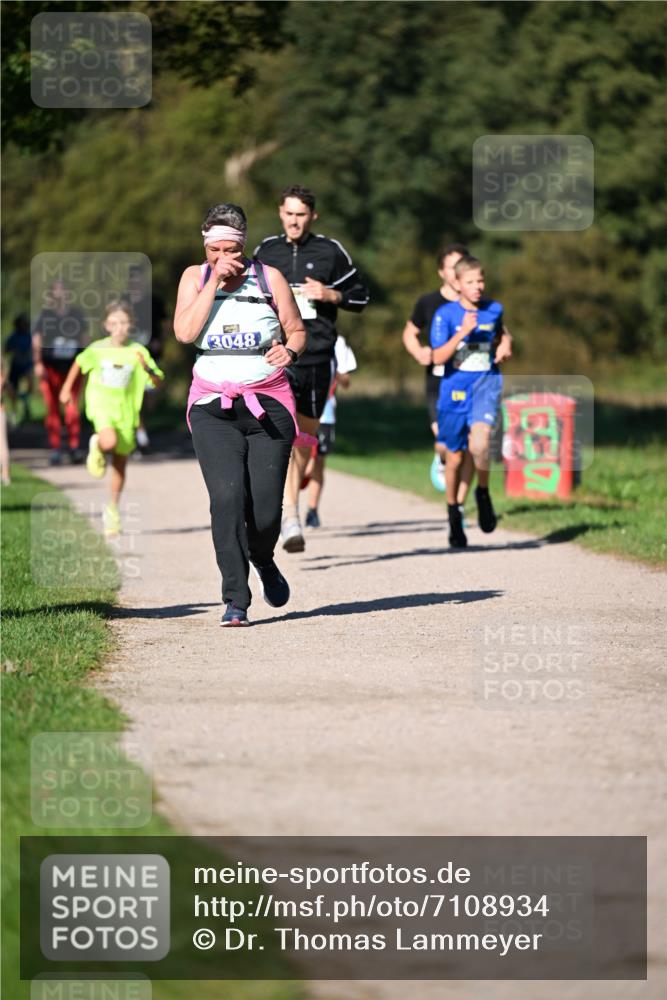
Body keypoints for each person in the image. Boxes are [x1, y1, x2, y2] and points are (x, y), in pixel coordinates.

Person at [174, 203, 306, 627]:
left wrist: (291, 349)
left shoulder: (270, 278)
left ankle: (263, 558)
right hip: (212, 406)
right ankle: (235, 598)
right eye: (216, 250)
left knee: (266, 511)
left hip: (268, 401)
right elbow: (185, 332)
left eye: (232, 250)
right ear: (206, 246)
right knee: (227, 500)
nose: (225, 258)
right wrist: (213, 281)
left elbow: (297, 329)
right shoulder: (195, 278)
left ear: (244, 245)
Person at [255, 185, 369, 554]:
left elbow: (361, 296)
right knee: (280, 433)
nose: (294, 220)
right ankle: (287, 514)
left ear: (312, 217)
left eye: (301, 214)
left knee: (306, 437)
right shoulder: (265, 252)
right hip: (277, 354)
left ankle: (292, 506)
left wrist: (331, 295)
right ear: (280, 213)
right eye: (288, 213)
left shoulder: (330, 252)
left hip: (318, 355)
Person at [59, 301, 164, 537]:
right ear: (106, 325)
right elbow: (79, 363)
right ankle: (97, 444)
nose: (119, 328)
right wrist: (67, 389)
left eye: (124, 323)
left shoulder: (138, 351)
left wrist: (147, 368)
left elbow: (157, 381)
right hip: (102, 406)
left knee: (120, 462)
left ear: (131, 325)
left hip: (127, 411)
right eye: (114, 323)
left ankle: (112, 510)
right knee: (108, 442)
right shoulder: (97, 349)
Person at [430, 256, 513, 548]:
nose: (478, 287)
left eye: (481, 281)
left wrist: (505, 344)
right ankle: (454, 512)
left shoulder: (494, 309)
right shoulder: (445, 315)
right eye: (471, 282)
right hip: (453, 392)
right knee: (454, 457)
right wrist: (463, 333)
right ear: (457, 283)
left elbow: (501, 332)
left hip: (486, 385)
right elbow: (437, 357)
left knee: (480, 444)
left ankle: (483, 492)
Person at [401, 243, 475, 504]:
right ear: (441, 272)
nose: (457, 273)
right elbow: (409, 332)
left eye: (462, 267)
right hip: (439, 381)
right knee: (446, 442)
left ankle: (459, 505)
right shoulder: (428, 302)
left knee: (470, 447)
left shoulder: (476, 301)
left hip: (473, 382)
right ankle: (441, 456)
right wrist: (418, 350)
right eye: (451, 268)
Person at [303, 334, 357, 529]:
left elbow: (346, 382)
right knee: (297, 460)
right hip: (298, 408)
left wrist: (332, 369)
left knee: (318, 461)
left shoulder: (338, 341)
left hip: (325, 411)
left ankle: (312, 510)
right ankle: (286, 509)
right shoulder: (293, 331)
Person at [32, 280, 88, 465]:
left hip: (72, 369)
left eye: (64, 291)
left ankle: (73, 446)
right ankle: (56, 448)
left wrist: (86, 363)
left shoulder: (77, 315)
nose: (61, 294)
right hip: (50, 369)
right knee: (52, 409)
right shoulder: (45, 315)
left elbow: (84, 340)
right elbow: (37, 340)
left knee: (72, 409)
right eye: (57, 291)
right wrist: (38, 362)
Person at [125, 262, 168, 453]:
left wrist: (161, 341)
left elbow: (166, 324)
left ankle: (140, 429)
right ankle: (139, 435)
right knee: (134, 396)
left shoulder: (154, 301)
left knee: (147, 399)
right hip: (129, 357)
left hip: (151, 356)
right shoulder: (123, 301)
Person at [4, 313, 34, 423]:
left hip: (27, 365)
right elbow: (5, 350)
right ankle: (14, 411)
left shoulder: (30, 336)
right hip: (15, 366)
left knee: (30, 384)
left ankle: (25, 399)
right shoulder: (13, 337)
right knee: (12, 389)